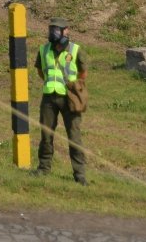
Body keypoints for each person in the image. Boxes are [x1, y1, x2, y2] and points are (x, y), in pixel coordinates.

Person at [34, 17, 88, 185]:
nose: (53, 32)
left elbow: (83, 73)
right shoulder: (43, 50)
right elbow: (40, 71)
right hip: (49, 97)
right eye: (51, 29)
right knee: (46, 134)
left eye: (57, 29)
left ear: (67, 30)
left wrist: (73, 86)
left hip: (69, 98)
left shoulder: (76, 50)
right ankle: (44, 168)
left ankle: (80, 175)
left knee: (74, 136)